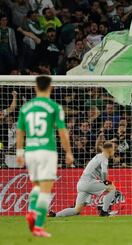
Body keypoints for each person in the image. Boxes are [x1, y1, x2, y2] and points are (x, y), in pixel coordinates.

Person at [16, 76, 73, 237]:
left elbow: (20, 131)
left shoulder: (26, 107)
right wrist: (68, 152)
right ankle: (38, 224)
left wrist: (19, 152)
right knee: (45, 190)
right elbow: (62, 131)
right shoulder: (53, 106)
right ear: (51, 87)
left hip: (30, 151)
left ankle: (31, 212)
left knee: (36, 187)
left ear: (35, 87)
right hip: (47, 151)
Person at [51, 142, 118, 217]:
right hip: (88, 182)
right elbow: (104, 172)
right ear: (109, 150)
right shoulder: (104, 158)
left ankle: (55, 215)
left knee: (77, 210)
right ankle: (104, 212)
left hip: (81, 184)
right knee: (112, 187)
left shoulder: (98, 156)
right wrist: (105, 181)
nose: (114, 151)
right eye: (113, 149)